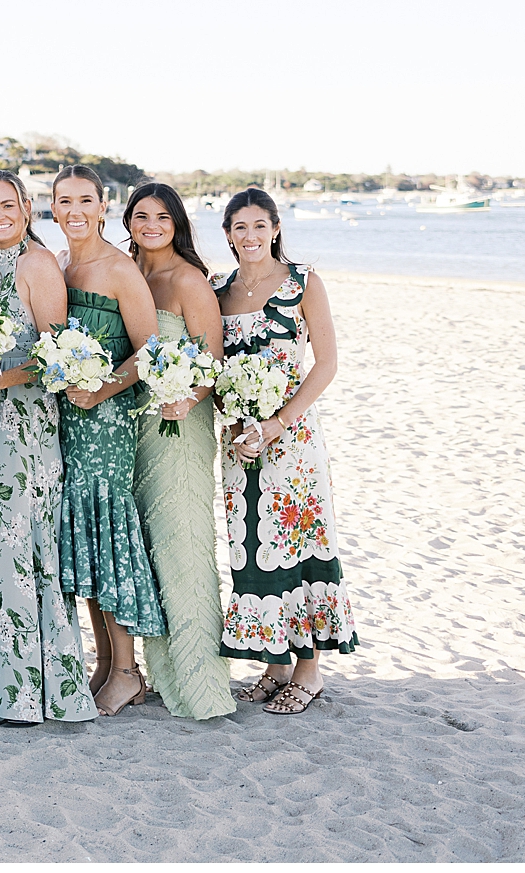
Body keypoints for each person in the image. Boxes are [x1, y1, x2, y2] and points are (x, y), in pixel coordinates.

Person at [215, 188, 359, 716]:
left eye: (259, 226)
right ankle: (275, 664)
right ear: (228, 235)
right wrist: (237, 421)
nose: (249, 237)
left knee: (299, 543)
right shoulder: (220, 290)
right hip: (237, 441)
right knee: (252, 544)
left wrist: (277, 423)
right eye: (239, 228)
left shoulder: (303, 283)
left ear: (275, 228)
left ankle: (309, 670)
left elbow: (325, 364)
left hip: (292, 439)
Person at [0, 170, 99, 724]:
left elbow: (56, 358)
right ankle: (11, 687)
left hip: (25, 426)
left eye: (7, 205)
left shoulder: (37, 263)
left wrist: (0, 378)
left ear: (25, 206)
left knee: (24, 549)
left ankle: (34, 693)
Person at [49, 165, 163, 717]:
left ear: (101, 205)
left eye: (84, 200)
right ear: (52, 208)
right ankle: (104, 663)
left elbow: (151, 350)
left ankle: (126, 670)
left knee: (107, 530)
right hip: (66, 420)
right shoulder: (61, 266)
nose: (74, 210)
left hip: (107, 420)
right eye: (64, 201)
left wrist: (103, 390)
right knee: (86, 538)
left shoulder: (119, 268)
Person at [124, 182, 235, 721]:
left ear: (178, 224)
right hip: (136, 427)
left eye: (162, 217)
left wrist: (184, 398)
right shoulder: (132, 276)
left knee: (185, 543)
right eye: (141, 216)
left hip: (180, 427)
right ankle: (163, 669)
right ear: (127, 222)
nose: (151, 225)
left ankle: (203, 681)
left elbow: (212, 363)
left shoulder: (189, 281)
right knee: (150, 547)